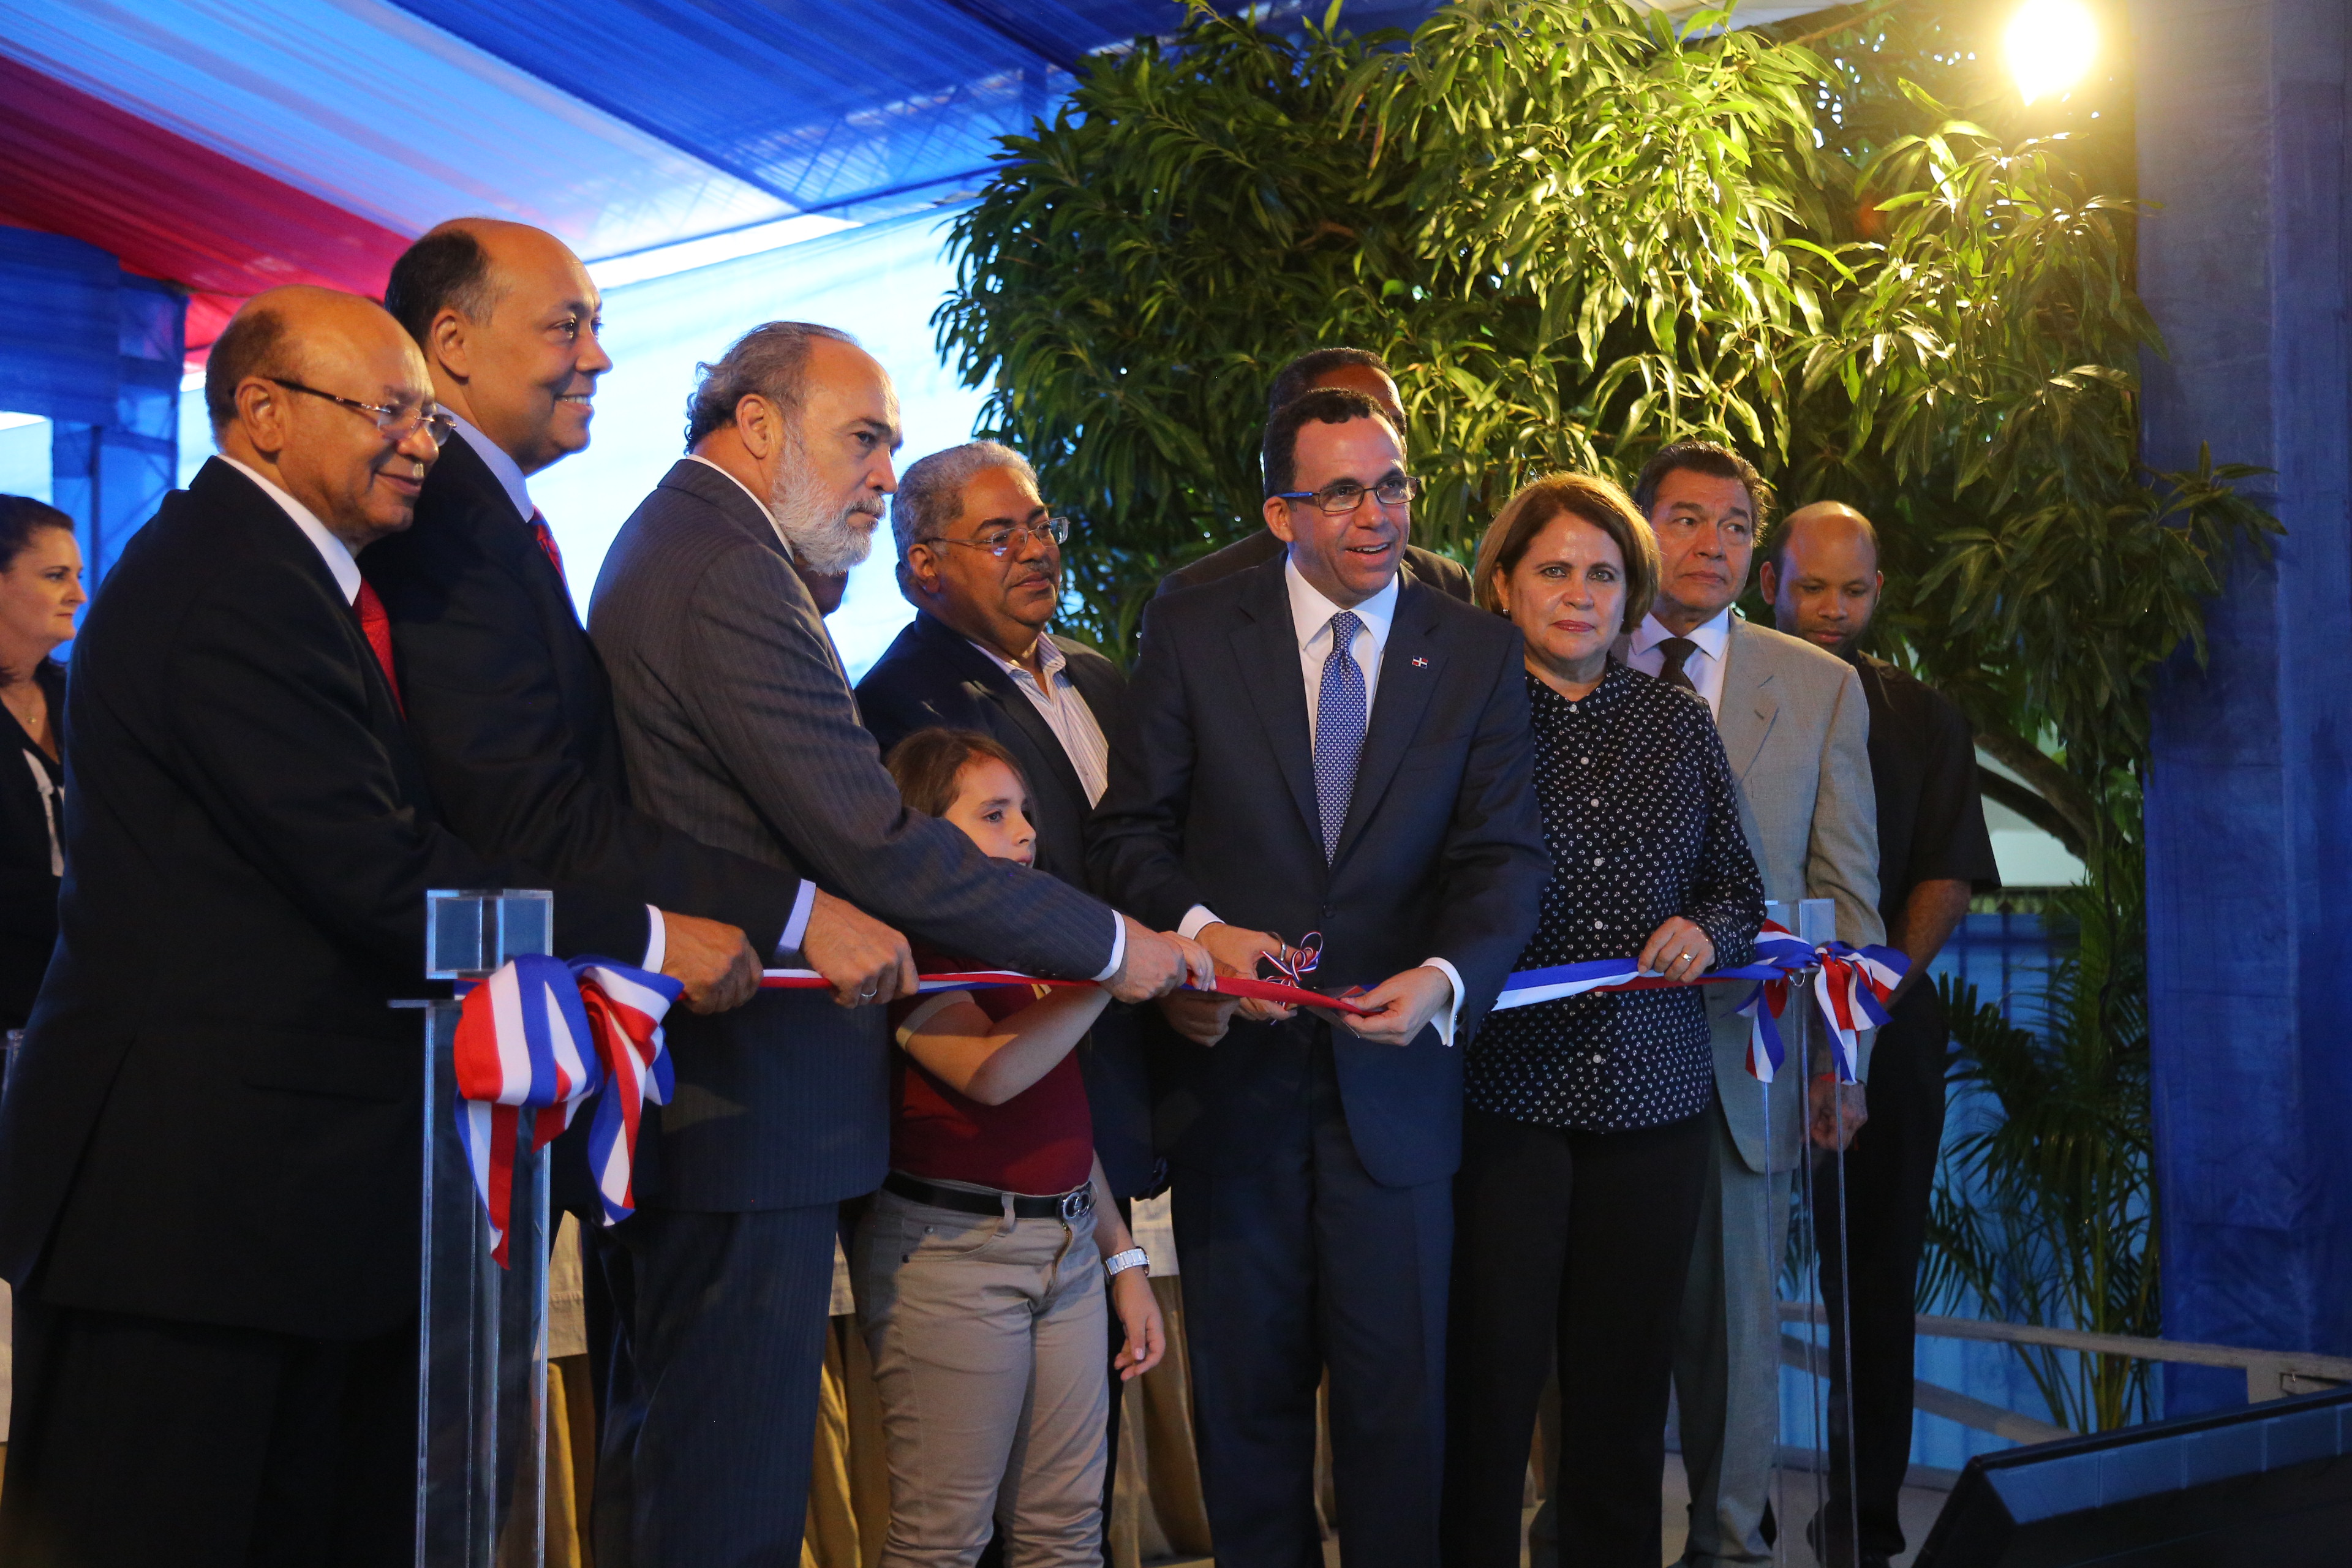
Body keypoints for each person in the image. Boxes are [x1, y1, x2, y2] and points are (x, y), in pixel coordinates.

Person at [0, 287, 680, 1568]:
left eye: (426, 413)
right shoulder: (228, 583)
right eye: (389, 410)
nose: (420, 441)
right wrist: (640, 933)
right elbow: (378, 874)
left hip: (276, 1208)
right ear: (261, 412)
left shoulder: (285, 577)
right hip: (185, 1210)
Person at [586, 320, 1200, 1568]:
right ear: (756, 425)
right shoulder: (723, 565)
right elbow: (869, 834)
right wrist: (1107, 944)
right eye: (863, 439)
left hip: (741, 1102)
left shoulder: (699, 546)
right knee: (725, 1499)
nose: (880, 472)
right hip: (743, 1104)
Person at [1088, 385, 1550, 1567]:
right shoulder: (1197, 630)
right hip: (1232, 1096)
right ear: (1281, 510)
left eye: (1391, 484)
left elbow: (1502, 858)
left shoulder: (1479, 652)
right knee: (1247, 1419)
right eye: (1341, 490)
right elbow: (1130, 831)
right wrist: (1201, 929)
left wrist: (1446, 978)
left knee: (1403, 1420)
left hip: (1398, 1105)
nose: (1375, 513)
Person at [1442, 475, 1764, 1568]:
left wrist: (1708, 934)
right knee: (1490, 1385)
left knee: (1625, 1397)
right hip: (1501, 1101)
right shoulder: (1456, 728)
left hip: (1656, 1101)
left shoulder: (1677, 726)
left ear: (1631, 596)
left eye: (1603, 574)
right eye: (1553, 570)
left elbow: (1737, 887)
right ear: (1503, 583)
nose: (1579, 594)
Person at [1616, 441, 1882, 1568]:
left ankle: (1730, 1548)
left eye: (1733, 525)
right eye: (1684, 518)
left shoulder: (1818, 685)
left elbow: (1849, 903)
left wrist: (1843, 1067)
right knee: (1600, 1336)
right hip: (1594, 1056)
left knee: (1737, 1344)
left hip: (1751, 1064)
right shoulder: (1571, 650)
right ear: (1641, 529)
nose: (1710, 544)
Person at [859, 727, 1183, 1567]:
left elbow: (1063, 1127)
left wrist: (1122, 1262)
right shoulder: (913, 950)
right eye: (994, 814)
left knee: (1066, 1532)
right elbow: (990, 1073)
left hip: (1069, 1250)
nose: (1027, 833)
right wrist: (1112, 974)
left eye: (1026, 813)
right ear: (923, 831)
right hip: (956, 1259)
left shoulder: (1038, 951)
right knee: (944, 1540)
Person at [1761, 500, 1999, 1568]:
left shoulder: (1922, 715)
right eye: (1812, 587)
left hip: (1885, 1030)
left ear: (1879, 593)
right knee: (1724, 1277)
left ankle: (1860, 1525)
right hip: (1743, 1030)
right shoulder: (1728, 696)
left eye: (1853, 591)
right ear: (1775, 580)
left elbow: (1948, 872)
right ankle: (1741, 1511)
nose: (1831, 610)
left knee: (1877, 1283)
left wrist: (1868, 1000)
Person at [1156, 349, 1473, 601]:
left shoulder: (1444, 584)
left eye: (1393, 425)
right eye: (1341, 415)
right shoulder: (1199, 595)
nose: (1374, 434)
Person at [0, 497, 83, 1031]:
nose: (78, 595)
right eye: (56, 576)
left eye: (77, 575)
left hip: (75, 1003)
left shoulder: (80, 695)